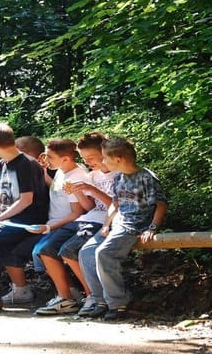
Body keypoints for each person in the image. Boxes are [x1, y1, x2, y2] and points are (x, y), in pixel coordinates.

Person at [77, 137, 167, 320]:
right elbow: (115, 204)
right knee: (86, 252)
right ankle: (100, 299)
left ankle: (118, 302)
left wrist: (152, 228)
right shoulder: (118, 177)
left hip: (135, 225)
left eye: (105, 158)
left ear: (118, 159)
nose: (103, 162)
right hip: (118, 223)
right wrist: (106, 223)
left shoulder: (146, 177)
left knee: (104, 253)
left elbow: (161, 204)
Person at [0, 122, 49, 314]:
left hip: (27, 220)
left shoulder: (27, 164)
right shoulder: (0, 164)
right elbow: (1, 197)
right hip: (7, 218)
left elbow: (26, 200)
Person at [51, 132, 117, 316]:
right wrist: (78, 192)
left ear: (105, 152)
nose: (87, 163)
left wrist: (90, 189)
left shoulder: (118, 174)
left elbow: (116, 204)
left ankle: (96, 296)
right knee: (61, 249)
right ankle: (92, 296)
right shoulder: (94, 175)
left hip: (107, 221)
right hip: (90, 219)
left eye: (91, 158)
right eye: (84, 158)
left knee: (72, 250)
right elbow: (90, 206)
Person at [28, 138, 90, 314]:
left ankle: (69, 298)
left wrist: (49, 228)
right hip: (54, 224)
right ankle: (69, 294)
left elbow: (77, 213)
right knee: (39, 250)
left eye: (50, 156)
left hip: (68, 224)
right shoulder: (63, 171)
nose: (46, 159)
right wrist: (45, 173)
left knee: (45, 249)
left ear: (65, 159)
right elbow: (57, 188)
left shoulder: (76, 176)